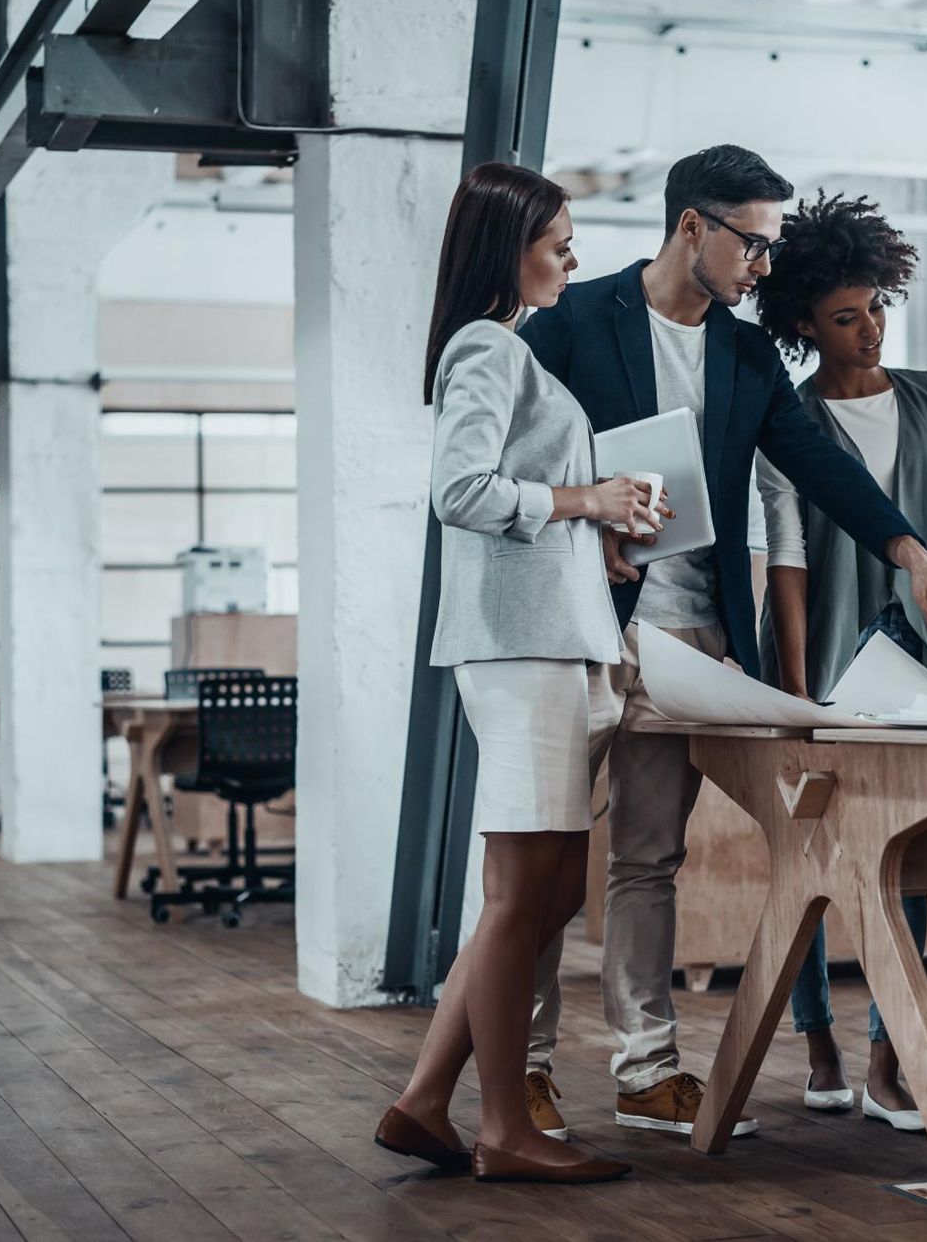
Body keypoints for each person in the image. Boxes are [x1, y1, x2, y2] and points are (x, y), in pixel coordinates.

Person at [515, 145, 927, 1143]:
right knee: (545, 862)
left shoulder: (741, 353)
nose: (763, 268)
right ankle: (519, 1071)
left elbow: (819, 466)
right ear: (694, 225)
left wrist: (914, 555)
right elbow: (509, 464)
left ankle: (647, 1072)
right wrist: (581, 518)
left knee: (648, 859)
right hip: (578, 628)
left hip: (691, 638)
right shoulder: (571, 322)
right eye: (753, 244)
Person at [376, 163, 664, 1185]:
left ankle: (423, 1103)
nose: (573, 258)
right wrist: (587, 503)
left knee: (535, 897)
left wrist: (602, 536)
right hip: (522, 651)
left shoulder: (503, 347)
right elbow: (461, 488)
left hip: (546, 638)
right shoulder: (487, 346)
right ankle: (505, 1128)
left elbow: (520, 504)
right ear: (509, 247)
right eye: (559, 241)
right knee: (520, 895)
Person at [751, 192, 927, 1132]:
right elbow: (787, 554)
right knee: (808, 864)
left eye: (876, 307)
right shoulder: (785, 419)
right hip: (830, 646)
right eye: (844, 317)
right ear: (803, 325)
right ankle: (819, 1043)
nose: (868, 329)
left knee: (899, 859)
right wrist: (792, 689)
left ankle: (886, 1060)